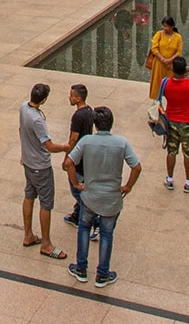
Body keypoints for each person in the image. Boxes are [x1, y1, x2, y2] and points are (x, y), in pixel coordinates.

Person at [62, 106, 140, 289]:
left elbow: (68, 163)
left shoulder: (87, 141)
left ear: (95, 125)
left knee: (84, 228)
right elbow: (136, 167)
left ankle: (80, 268)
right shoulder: (121, 143)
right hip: (112, 198)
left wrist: (76, 184)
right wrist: (128, 186)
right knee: (106, 234)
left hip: (90, 195)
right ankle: (102, 274)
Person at [19, 83, 69, 259]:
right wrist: (65, 147)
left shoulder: (23, 107)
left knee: (29, 195)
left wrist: (24, 151)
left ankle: (28, 234)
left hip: (28, 162)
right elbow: (48, 145)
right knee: (46, 203)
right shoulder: (37, 120)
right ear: (44, 100)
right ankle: (46, 244)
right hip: (40, 165)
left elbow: (20, 130)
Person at [160, 56, 189, 191]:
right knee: (188, 154)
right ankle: (188, 182)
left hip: (171, 121)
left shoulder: (165, 83)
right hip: (187, 122)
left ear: (173, 69)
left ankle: (169, 179)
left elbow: (161, 94)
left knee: (171, 151)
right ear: (185, 70)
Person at [62, 84, 96, 228]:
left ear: (78, 98)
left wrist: (67, 157)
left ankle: (91, 218)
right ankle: (77, 214)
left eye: (72, 96)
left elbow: (73, 139)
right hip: (86, 154)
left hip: (78, 157)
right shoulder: (89, 111)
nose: (69, 98)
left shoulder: (77, 116)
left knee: (76, 189)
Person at [145, 16, 181, 101]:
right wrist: (162, 59)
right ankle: (157, 102)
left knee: (170, 84)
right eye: (163, 26)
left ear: (172, 26)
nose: (165, 28)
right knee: (158, 83)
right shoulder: (159, 34)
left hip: (170, 66)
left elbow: (179, 52)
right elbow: (154, 48)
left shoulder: (178, 37)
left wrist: (169, 60)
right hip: (159, 64)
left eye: (166, 26)